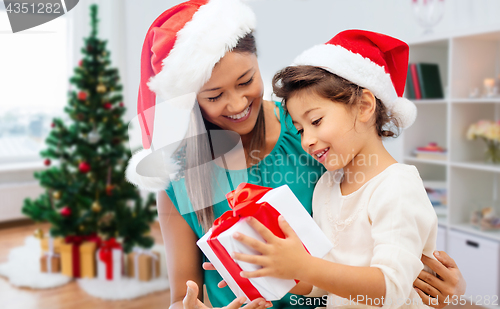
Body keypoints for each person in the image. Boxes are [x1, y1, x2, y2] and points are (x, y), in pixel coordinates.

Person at [124, 0, 466, 308]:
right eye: (214, 96)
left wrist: (441, 286)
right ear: (190, 100)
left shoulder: (308, 128)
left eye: (246, 81)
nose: (238, 104)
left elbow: (383, 247)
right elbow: (182, 298)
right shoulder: (179, 174)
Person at [229, 30, 465, 309]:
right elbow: (324, 280)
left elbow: (391, 289)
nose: (307, 140)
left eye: (316, 121)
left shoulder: (397, 187)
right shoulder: (326, 187)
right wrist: (276, 268)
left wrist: (305, 267)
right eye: (300, 129)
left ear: (364, 106)